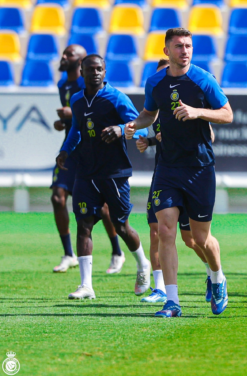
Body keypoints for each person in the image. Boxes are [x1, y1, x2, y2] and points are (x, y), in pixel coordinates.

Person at [125, 28, 233, 318]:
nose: (184, 51)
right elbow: (150, 113)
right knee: (165, 231)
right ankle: (172, 301)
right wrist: (136, 123)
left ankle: (217, 277)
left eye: (188, 46)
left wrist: (198, 112)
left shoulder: (202, 79)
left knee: (200, 239)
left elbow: (227, 113)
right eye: (178, 46)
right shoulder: (155, 82)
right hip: (168, 168)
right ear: (166, 51)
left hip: (199, 168)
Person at [55, 54, 151, 300]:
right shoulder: (77, 100)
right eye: (90, 69)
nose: (95, 73)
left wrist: (120, 129)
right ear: (82, 71)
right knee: (84, 224)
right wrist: (65, 151)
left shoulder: (116, 98)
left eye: (99, 69)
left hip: (114, 173)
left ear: (104, 72)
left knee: (121, 225)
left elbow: (142, 125)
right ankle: (86, 285)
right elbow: (76, 129)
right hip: (86, 173)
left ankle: (143, 264)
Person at [136, 59, 213, 304]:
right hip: (164, 174)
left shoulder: (192, 94)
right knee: (158, 230)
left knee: (192, 239)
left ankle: (213, 273)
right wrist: (147, 141)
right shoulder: (156, 108)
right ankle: (163, 291)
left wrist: (195, 116)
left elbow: (209, 133)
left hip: (192, 173)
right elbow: (149, 124)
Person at [51, 45, 125, 274]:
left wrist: (70, 115)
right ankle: (69, 254)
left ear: (81, 61)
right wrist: (63, 124)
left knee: (103, 210)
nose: (64, 57)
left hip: (91, 153)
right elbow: (76, 124)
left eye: (69, 54)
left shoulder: (92, 85)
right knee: (57, 198)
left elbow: (90, 115)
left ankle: (117, 252)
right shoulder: (63, 85)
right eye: (64, 53)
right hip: (71, 151)